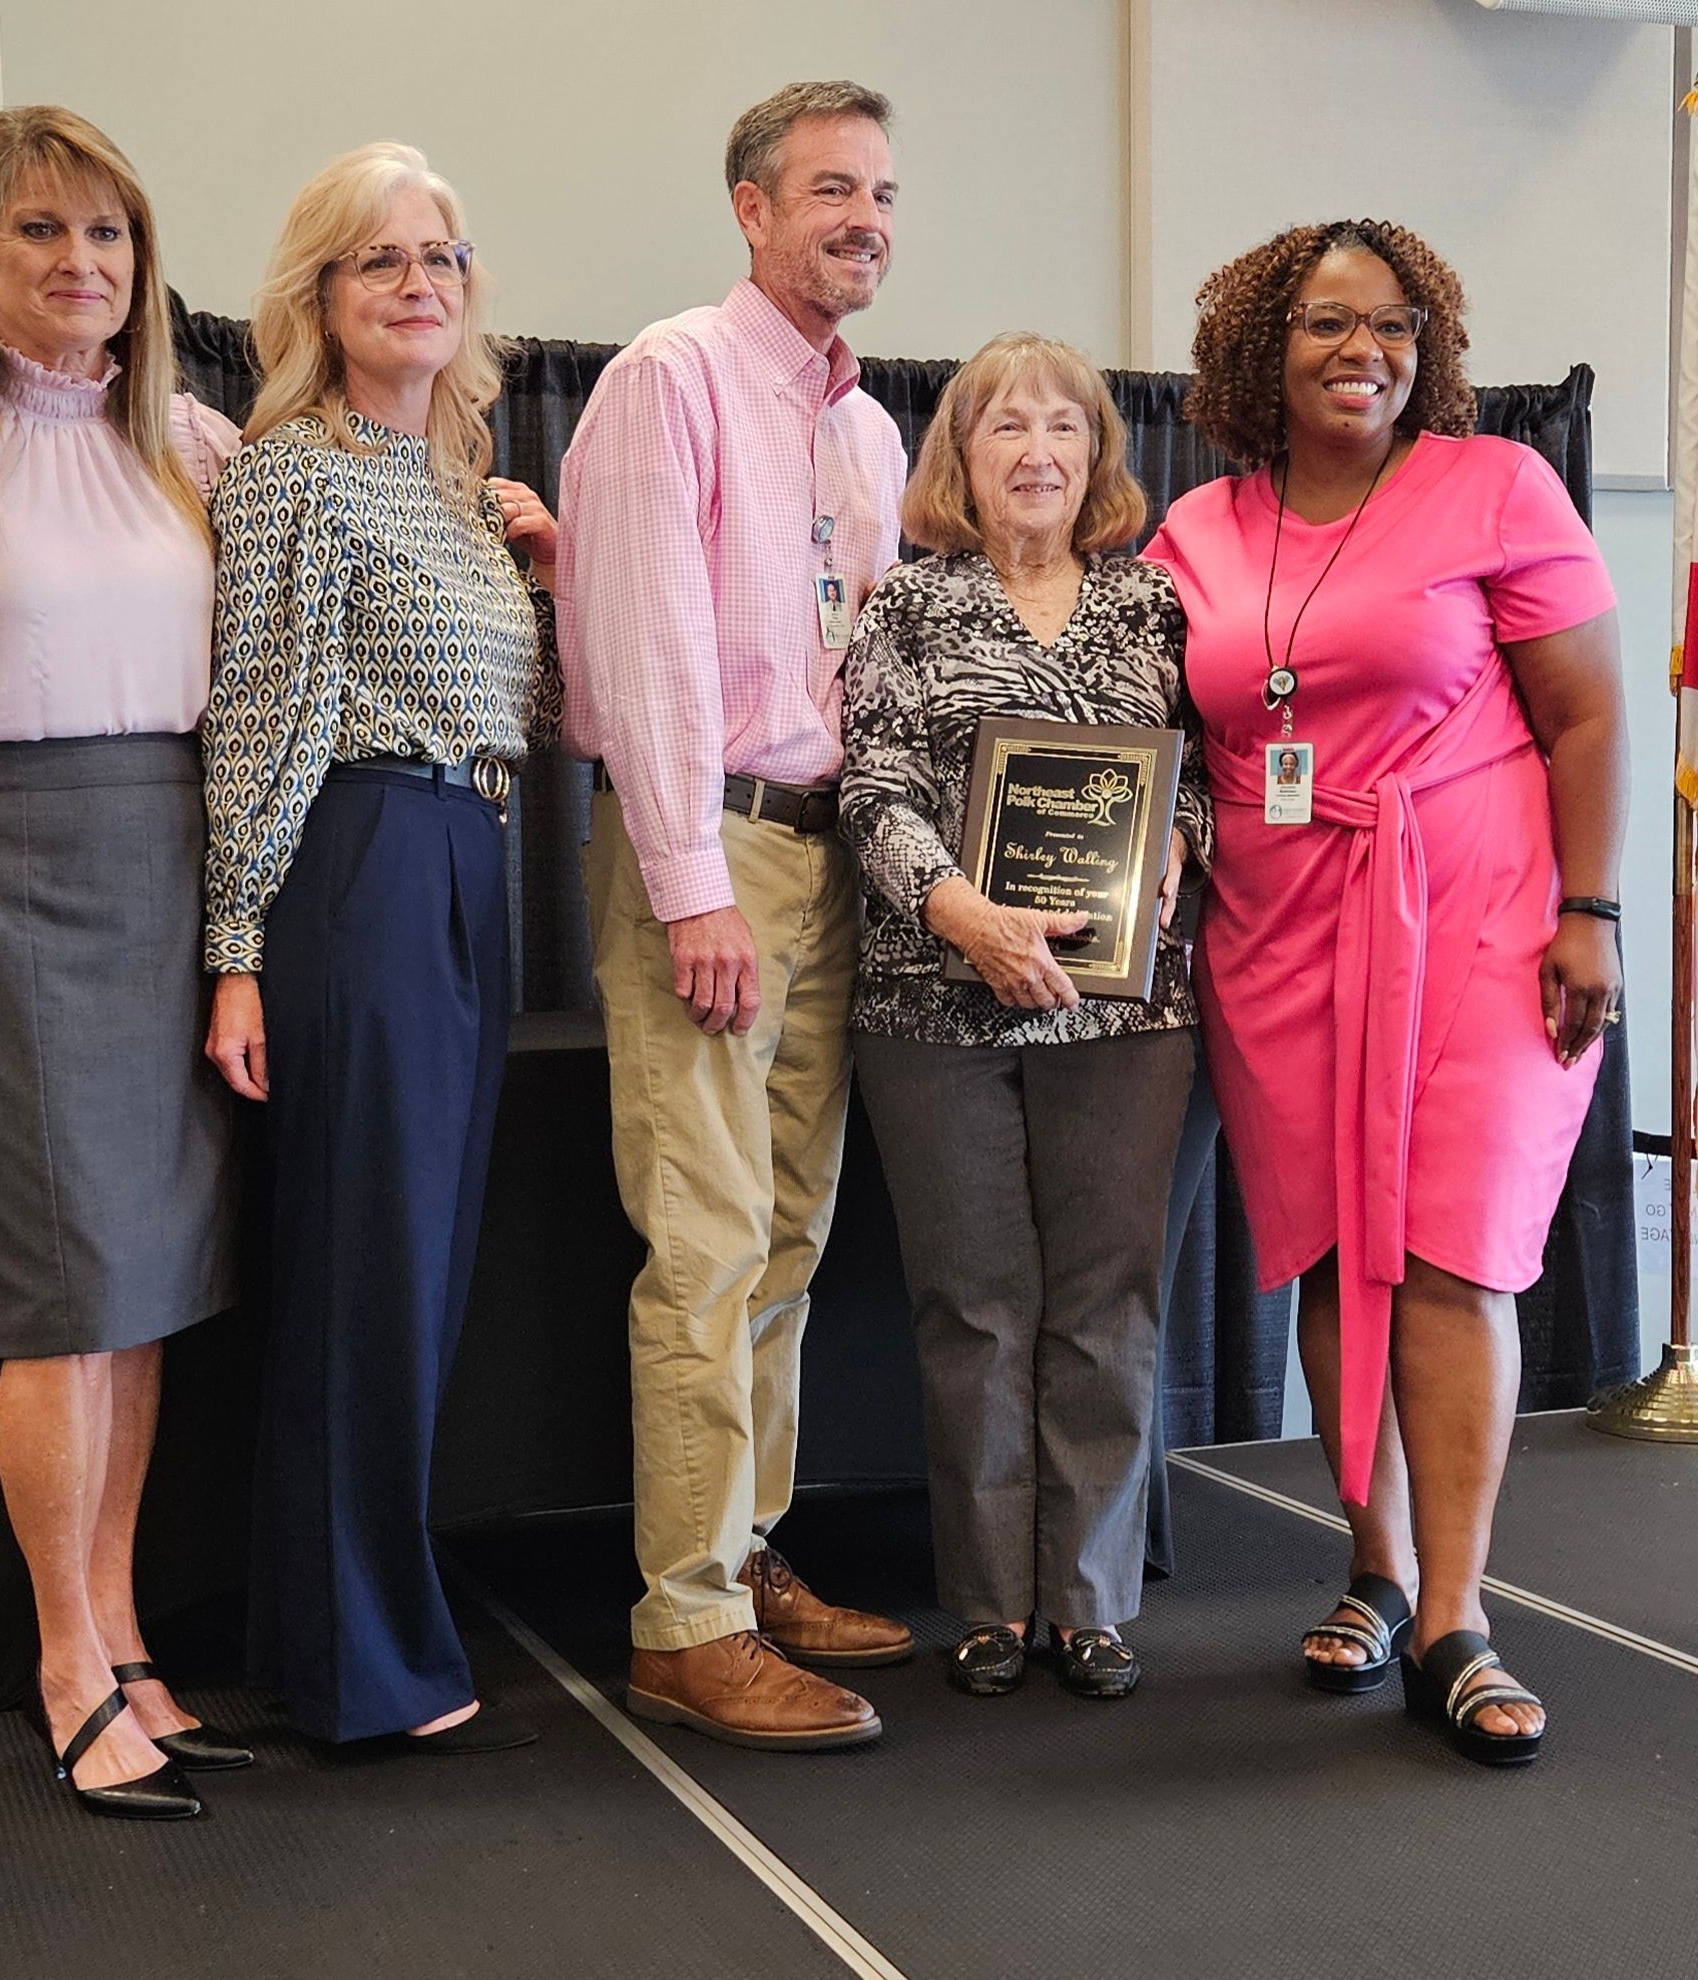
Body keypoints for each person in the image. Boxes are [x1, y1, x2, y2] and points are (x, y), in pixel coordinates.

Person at [1146, 219, 1626, 1765]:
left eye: (1396, 325)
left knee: (1455, 1253)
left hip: (1481, 916)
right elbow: (1144, 730)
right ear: (1259, 350)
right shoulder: (1199, 528)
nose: (1367, 351)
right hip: (1280, 935)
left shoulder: (1496, 486)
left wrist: (1594, 913)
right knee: (1339, 1250)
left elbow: (1591, 715)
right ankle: (1377, 1562)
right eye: (1329, 325)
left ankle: (1457, 1618)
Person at [0, 106, 248, 1820]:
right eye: (39, 233)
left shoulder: (196, 444)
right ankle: (61, 1658)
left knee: (144, 1291)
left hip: (173, 864)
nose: (78, 263)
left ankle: (126, 1627)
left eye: (106, 234)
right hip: (0, 872)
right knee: (60, 1293)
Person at [557, 80, 914, 1750]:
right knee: (703, 1241)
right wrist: (692, 883)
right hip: (708, 851)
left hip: (830, 858)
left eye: (884, 194)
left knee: (785, 1238)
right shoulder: (669, 379)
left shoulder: (865, 431)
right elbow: (636, 650)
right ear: (751, 208)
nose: (864, 218)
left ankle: (745, 1547)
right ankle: (682, 1622)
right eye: (831, 188)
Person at [200, 143, 560, 1753]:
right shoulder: (291, 470)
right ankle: (364, 1659)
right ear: (319, 298)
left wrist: (535, 565)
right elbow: (261, 732)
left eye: (442, 256)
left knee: (414, 1273)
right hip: (357, 868)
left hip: (466, 861)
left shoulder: (459, 485)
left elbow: (514, 718)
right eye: (379, 261)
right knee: (367, 1272)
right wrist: (236, 949)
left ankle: (325, 1635)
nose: (419, 282)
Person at [841, 333, 1206, 1698]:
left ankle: (1093, 1598)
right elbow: (870, 788)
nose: (1037, 452)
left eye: (1063, 428)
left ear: (1100, 458)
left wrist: (1181, 843)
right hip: (935, 999)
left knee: (1108, 1306)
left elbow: (1205, 773)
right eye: (1005, 430)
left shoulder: (1155, 607)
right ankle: (997, 1601)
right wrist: (965, 916)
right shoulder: (904, 607)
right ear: (961, 459)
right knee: (976, 1309)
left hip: (1127, 1014)